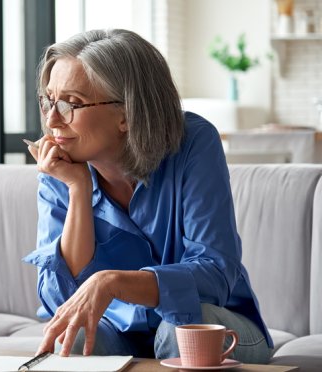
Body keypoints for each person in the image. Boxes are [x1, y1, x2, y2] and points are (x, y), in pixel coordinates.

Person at [22, 29, 273, 363]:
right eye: (49, 100)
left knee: (179, 329)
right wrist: (78, 190)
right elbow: (62, 300)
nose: (52, 120)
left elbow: (215, 274)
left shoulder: (194, 143)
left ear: (127, 113)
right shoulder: (61, 166)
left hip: (216, 326)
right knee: (74, 337)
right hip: (120, 332)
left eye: (72, 104)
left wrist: (112, 283)